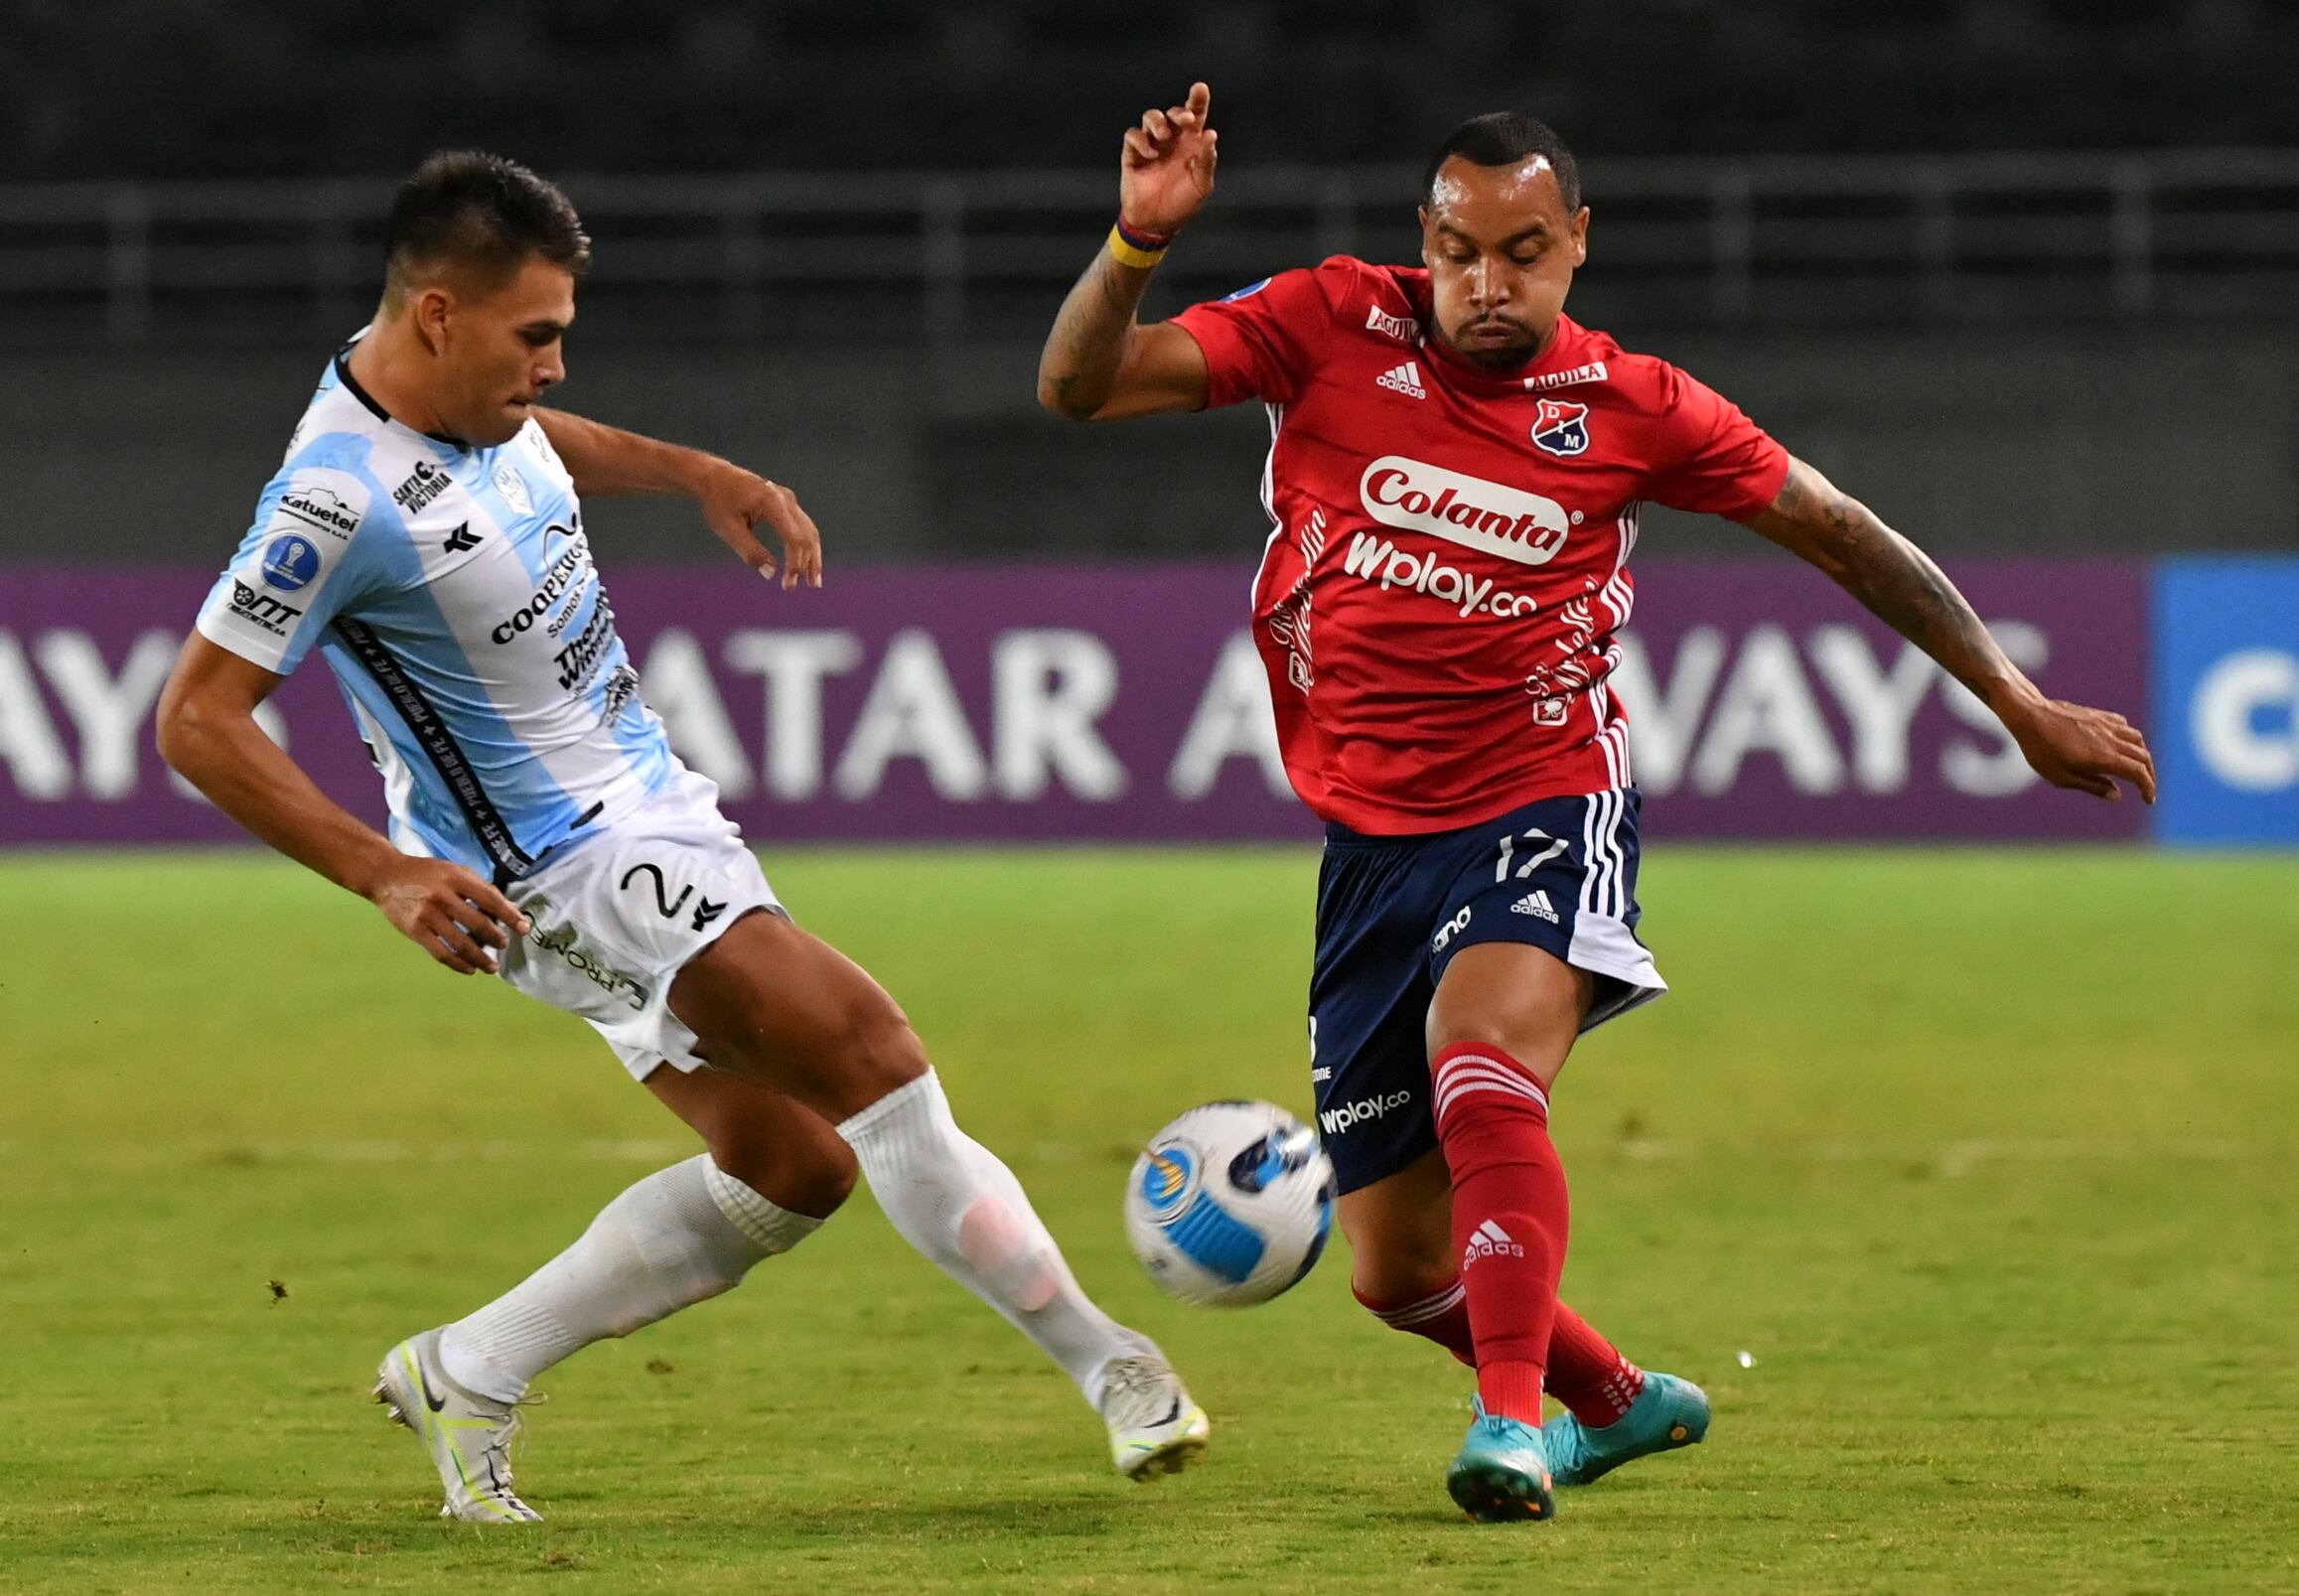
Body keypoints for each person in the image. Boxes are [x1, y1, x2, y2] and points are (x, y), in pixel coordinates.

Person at [1038, 85, 2156, 1523]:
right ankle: (1617, 1406)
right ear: (1420, 244)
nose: (1485, 284)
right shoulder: (1325, 323)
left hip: (1545, 797)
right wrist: (1135, 243)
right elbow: (1080, 387)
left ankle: (1507, 1430)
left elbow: (1839, 532)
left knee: (1481, 1061)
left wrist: (2015, 700)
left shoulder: (1636, 407)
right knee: (1394, 1269)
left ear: (1576, 245)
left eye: (1520, 250)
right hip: (1370, 845)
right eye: (1457, 251)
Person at [155, 150, 1208, 1523]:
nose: (554, 367)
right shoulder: (334, 499)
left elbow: (540, 448)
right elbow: (194, 719)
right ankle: (1116, 1369)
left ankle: (470, 1369)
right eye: (536, 337)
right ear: (437, 317)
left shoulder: (459, 398)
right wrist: (387, 872)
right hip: (567, 867)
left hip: (649, 807)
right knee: (875, 1057)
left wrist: (695, 472)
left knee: (798, 1165)